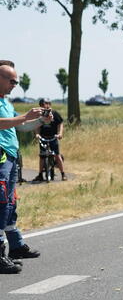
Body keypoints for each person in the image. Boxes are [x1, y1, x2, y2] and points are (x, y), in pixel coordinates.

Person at [0, 64, 46, 273]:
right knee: (1, 203)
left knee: (9, 203)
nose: (15, 85)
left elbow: (20, 125)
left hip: (11, 157)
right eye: (12, 81)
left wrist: (40, 121)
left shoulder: (6, 102)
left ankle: (15, 247)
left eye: (16, 81)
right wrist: (25, 117)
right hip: (1, 159)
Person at [33, 98, 66, 181]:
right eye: (44, 104)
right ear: (41, 106)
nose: (46, 105)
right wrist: (37, 134)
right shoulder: (39, 115)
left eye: (48, 103)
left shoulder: (54, 113)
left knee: (57, 155)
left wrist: (60, 133)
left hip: (53, 137)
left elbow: (60, 123)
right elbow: (36, 126)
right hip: (43, 137)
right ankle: (40, 174)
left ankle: (63, 174)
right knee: (42, 156)